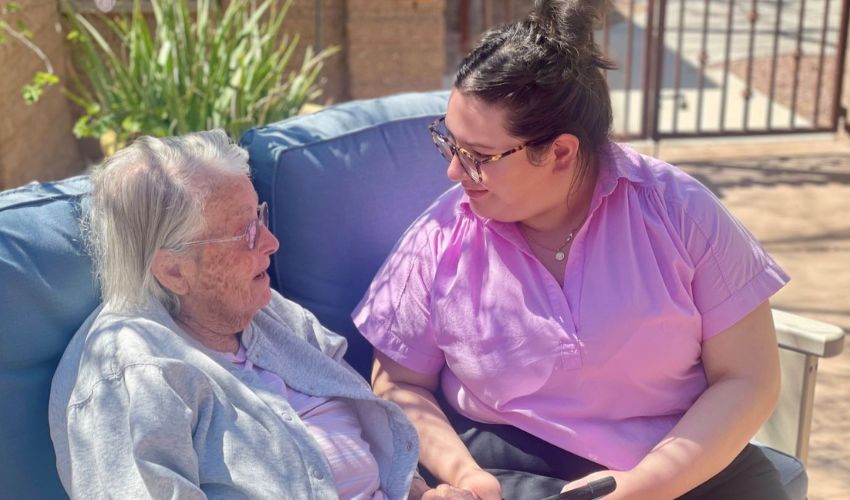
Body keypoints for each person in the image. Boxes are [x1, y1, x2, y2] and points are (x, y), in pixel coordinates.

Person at [353, 1, 790, 499]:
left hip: (684, 460)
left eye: (477, 157)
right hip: (508, 468)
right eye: (449, 144)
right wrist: (465, 478)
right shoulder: (441, 236)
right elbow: (397, 385)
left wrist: (642, 488)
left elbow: (749, 378)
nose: (454, 171)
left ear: (560, 152)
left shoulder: (678, 212)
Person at [48, 130, 474, 500]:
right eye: (245, 231)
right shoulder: (132, 380)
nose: (270, 242)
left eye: (260, 216)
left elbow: (375, 445)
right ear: (174, 270)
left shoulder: (267, 311)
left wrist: (421, 494)